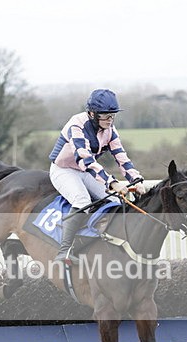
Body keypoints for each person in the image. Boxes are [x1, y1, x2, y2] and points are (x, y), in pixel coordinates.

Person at [48, 88, 147, 264]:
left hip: (84, 172)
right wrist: (112, 183)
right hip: (63, 170)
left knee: (115, 201)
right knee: (82, 201)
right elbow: (86, 160)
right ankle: (64, 251)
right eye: (106, 116)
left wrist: (136, 180)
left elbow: (121, 157)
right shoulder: (76, 125)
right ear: (92, 114)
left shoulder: (110, 129)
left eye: (113, 116)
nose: (110, 120)